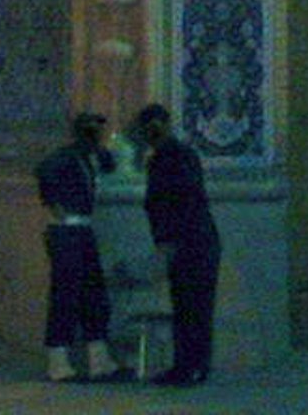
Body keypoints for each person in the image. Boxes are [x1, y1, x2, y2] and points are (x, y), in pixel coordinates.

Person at [131, 102, 220, 387]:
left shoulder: (168, 158)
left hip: (188, 243)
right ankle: (193, 366)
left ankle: (189, 367)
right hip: (196, 241)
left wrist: (169, 242)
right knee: (193, 307)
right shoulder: (178, 155)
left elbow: (177, 202)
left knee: (189, 307)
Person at [35, 110, 121, 381]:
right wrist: (54, 203)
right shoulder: (65, 157)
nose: (96, 134)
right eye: (92, 129)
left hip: (82, 229)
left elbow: (109, 164)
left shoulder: (87, 157)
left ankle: (99, 358)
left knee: (93, 292)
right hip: (67, 230)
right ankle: (58, 360)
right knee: (66, 294)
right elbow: (44, 172)